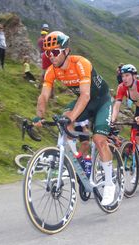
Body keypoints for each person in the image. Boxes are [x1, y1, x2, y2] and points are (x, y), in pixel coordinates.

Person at [33, 31, 115, 206]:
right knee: (63, 121)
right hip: (83, 102)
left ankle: (109, 183)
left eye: (55, 52)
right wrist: (38, 117)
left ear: (66, 51)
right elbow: (43, 96)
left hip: (101, 102)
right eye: (48, 53)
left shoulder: (81, 63)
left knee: (99, 140)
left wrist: (72, 117)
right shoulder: (51, 71)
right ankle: (73, 160)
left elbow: (85, 96)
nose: (51, 56)